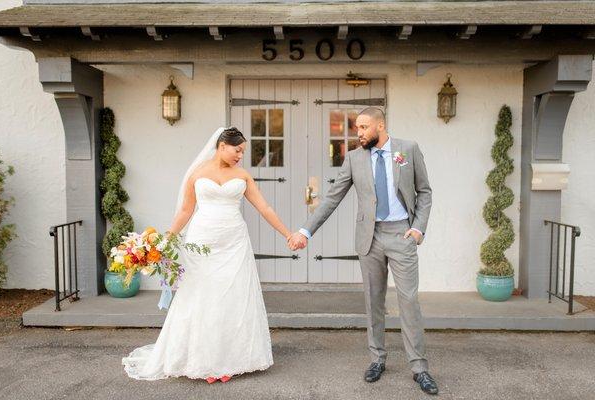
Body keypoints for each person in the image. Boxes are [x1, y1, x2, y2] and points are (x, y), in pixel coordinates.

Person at [122, 127, 293, 383]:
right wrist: (164, 239)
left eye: (243, 152)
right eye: (238, 150)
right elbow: (185, 211)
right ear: (222, 145)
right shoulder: (198, 173)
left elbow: (264, 208)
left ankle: (229, 360)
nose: (240, 156)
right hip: (202, 242)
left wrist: (287, 234)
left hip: (234, 242)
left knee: (232, 297)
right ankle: (204, 361)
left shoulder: (243, 175)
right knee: (203, 297)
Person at [288, 107, 438, 395]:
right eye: (357, 128)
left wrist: (418, 228)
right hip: (369, 238)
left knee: (409, 301)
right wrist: (305, 231)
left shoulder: (408, 149)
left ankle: (419, 367)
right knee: (373, 301)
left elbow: (425, 192)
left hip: (401, 234)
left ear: (380, 126)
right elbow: (332, 198)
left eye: (364, 127)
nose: (358, 133)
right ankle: (377, 359)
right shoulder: (355, 158)